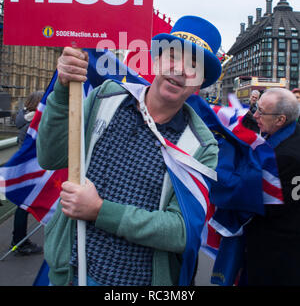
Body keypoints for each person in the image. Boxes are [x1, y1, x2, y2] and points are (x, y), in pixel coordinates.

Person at [36, 16, 222, 286]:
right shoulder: (106, 97)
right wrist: (63, 92)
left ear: (200, 82)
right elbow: (50, 157)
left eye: (194, 65)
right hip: (69, 275)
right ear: (156, 60)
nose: (180, 69)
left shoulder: (201, 146)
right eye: (174, 56)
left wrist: (99, 210)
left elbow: (182, 232)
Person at [244, 87, 300, 285]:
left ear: (280, 120)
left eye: (261, 112)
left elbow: (270, 207)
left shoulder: (288, 157)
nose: (256, 115)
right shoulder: (281, 135)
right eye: (256, 108)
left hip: (276, 253)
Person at [11, 90, 44, 255]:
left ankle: (19, 240)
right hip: (29, 168)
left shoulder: (23, 118)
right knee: (23, 206)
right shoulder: (33, 122)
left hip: (23, 168)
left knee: (23, 205)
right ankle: (19, 242)